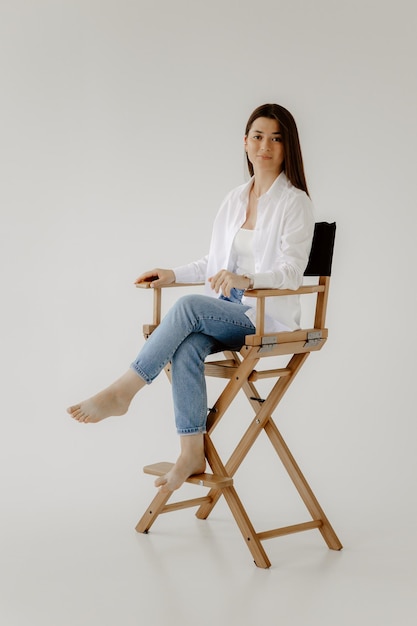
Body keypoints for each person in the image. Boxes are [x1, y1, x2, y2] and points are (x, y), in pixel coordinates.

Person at [67, 103, 315, 493]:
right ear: (245, 142)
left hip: (264, 315)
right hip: (226, 312)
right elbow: (213, 263)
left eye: (276, 138)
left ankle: (123, 391)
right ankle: (190, 454)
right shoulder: (235, 198)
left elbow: (291, 273)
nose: (265, 145)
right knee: (186, 348)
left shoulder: (295, 202)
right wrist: (173, 274)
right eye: (257, 135)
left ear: (288, 147)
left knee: (186, 308)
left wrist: (245, 279)